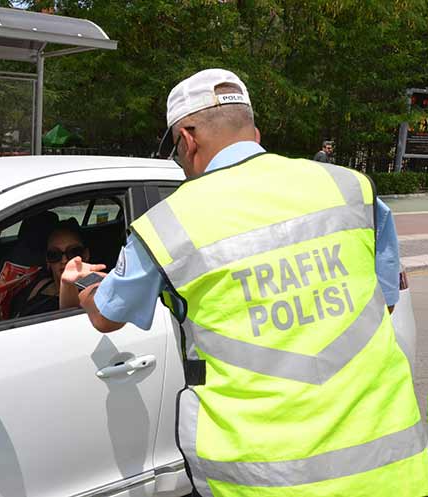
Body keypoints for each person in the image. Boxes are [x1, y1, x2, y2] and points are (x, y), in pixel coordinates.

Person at [63, 69, 428, 496]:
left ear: (188, 138)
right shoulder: (351, 188)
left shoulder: (169, 226)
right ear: (254, 130)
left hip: (264, 481)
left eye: (176, 151)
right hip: (389, 472)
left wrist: (77, 281)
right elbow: (380, 303)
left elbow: (106, 316)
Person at [0, 219, 103, 323]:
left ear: (86, 255)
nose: (64, 260)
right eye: (54, 254)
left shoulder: (95, 290)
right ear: (47, 261)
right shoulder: (38, 285)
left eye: (73, 252)